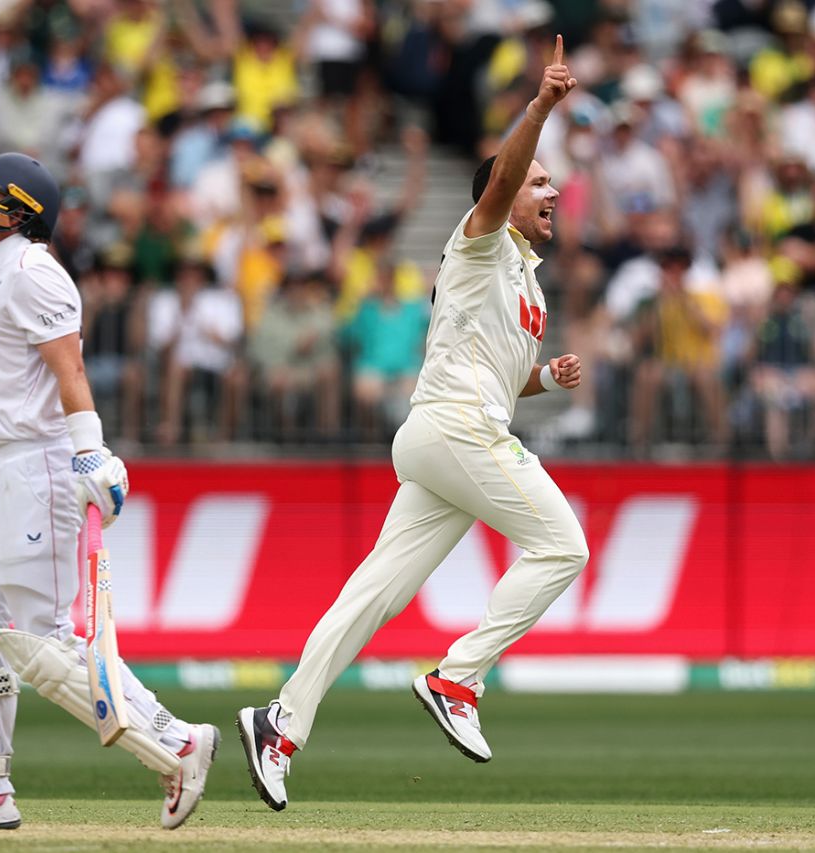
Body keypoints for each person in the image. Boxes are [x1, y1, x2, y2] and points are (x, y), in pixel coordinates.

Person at [237, 37, 589, 811]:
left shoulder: (528, 285)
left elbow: (499, 375)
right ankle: (458, 677)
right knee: (564, 545)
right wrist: (540, 106)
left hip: (443, 435)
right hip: (458, 430)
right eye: (539, 181)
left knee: (372, 594)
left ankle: (279, 723)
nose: (552, 190)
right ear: (502, 195)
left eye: (550, 181)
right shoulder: (479, 241)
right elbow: (501, 177)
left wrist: (543, 377)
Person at [0, 153, 218, 832]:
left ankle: (177, 742)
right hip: (2, 466)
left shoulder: (32, 271)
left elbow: (70, 367)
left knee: (42, 646)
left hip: (38, 465)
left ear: (18, 212)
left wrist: (90, 451)